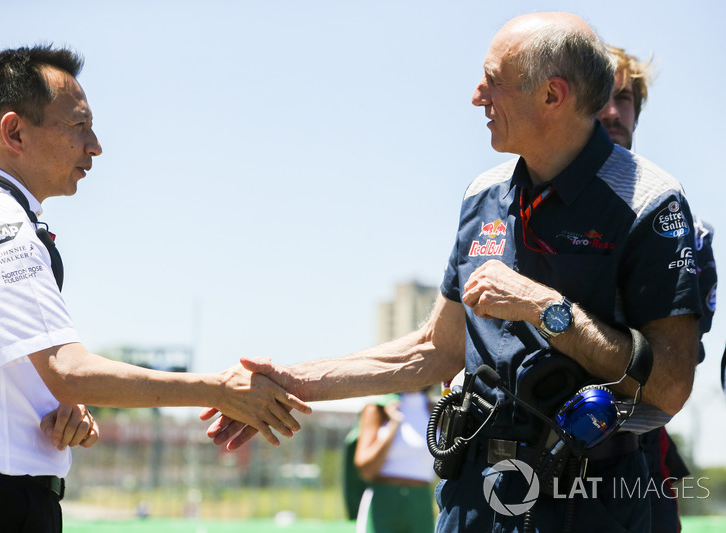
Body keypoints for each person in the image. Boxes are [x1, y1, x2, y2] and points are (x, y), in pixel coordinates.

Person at [202, 12, 701, 533]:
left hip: (587, 500)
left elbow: (668, 386)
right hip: (473, 495)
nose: (476, 96)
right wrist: (288, 380)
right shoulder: (482, 194)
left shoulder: (650, 200)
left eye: (494, 80)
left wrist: (543, 308)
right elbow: (433, 350)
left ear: (552, 96)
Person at [0, 45, 310, 532]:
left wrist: (58, 408)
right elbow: (69, 370)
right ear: (15, 131)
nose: (95, 145)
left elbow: (8, 377)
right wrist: (219, 390)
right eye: (77, 126)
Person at [598, 45, 718, 533]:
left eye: (624, 99)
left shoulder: (679, 222)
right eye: (601, 97)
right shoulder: (512, 206)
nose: (612, 111)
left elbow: (673, 368)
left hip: (640, 455)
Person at [353, 391, 435, 533]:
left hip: (421, 503)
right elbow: (365, 469)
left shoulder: (437, 409)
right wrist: (394, 424)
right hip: (383, 501)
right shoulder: (378, 407)